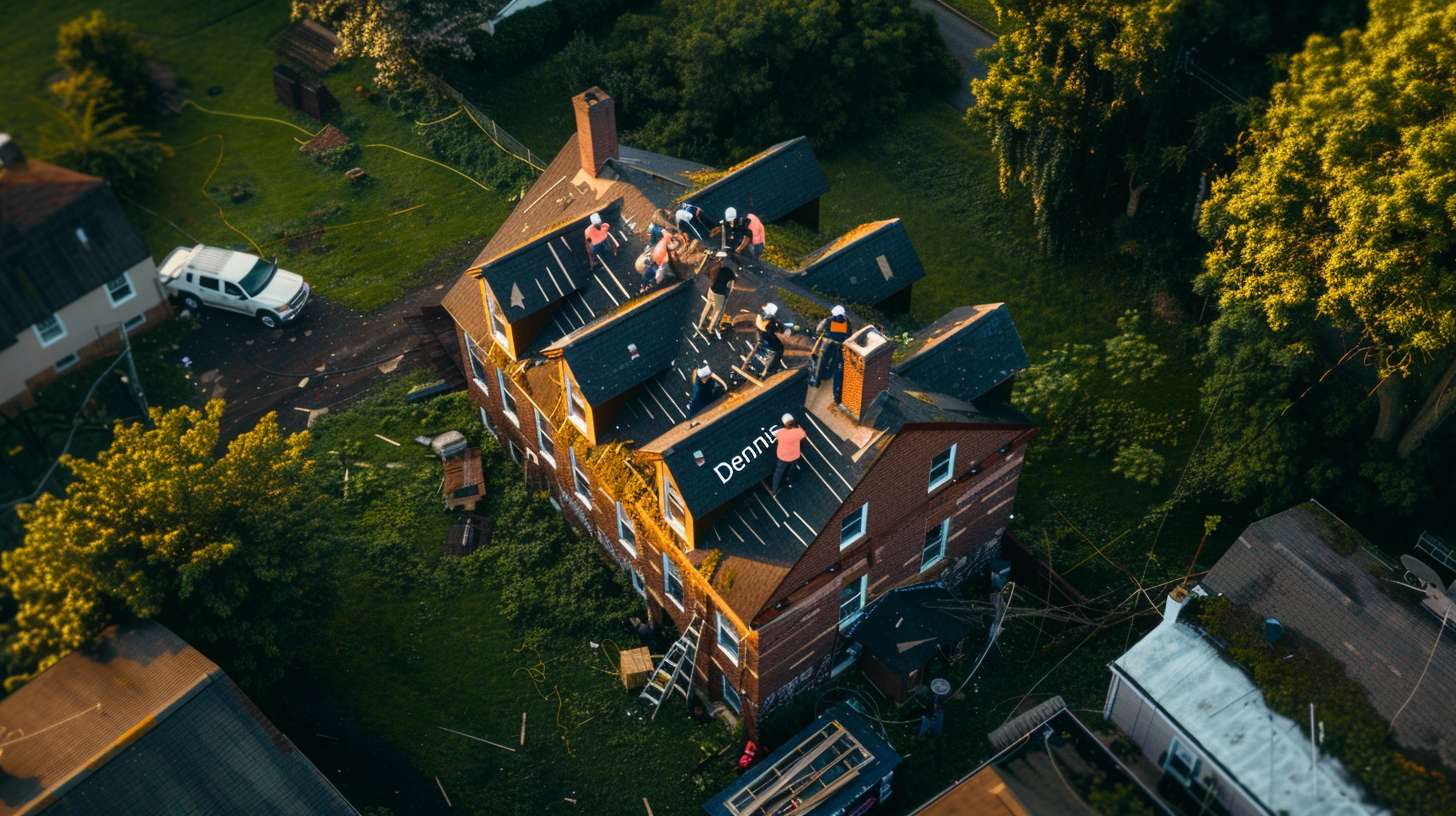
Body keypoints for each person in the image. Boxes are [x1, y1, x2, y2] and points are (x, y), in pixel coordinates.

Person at [810, 305, 853, 400]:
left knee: (821, 362)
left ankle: (816, 381)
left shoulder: (829, 320)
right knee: (834, 362)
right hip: (838, 346)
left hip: (827, 344)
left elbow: (818, 330)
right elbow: (849, 334)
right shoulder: (847, 322)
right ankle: (828, 375)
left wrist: (822, 334)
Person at [696, 255, 736, 334]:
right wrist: (727, 295)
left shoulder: (720, 269)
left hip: (711, 290)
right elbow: (729, 286)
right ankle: (710, 329)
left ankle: (700, 325)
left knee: (707, 307)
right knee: (717, 311)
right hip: (719, 294)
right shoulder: (731, 273)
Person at [771, 413, 807, 494]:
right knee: (791, 469)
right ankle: (789, 480)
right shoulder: (798, 432)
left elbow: (774, 432)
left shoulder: (780, 433)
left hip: (783, 457)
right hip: (794, 456)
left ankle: (774, 490)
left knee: (778, 474)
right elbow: (804, 434)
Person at [749, 302, 785, 375]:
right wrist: (773, 323)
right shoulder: (761, 316)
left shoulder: (772, 318)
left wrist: (779, 324)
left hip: (769, 336)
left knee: (780, 347)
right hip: (763, 337)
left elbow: (780, 330)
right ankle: (768, 368)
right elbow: (762, 327)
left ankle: (775, 366)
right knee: (773, 350)